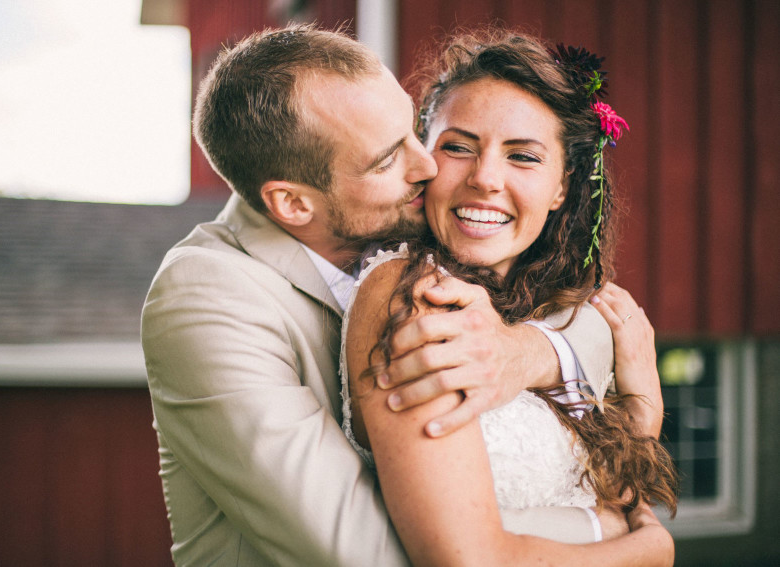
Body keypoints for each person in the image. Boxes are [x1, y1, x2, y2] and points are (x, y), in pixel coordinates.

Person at [141, 24, 618, 567]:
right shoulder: (208, 297)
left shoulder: (427, 239)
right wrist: (606, 528)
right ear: (294, 205)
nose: (431, 166)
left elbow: (600, 323)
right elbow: (363, 549)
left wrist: (532, 352)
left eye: (416, 131)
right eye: (389, 158)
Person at [342, 28, 677, 566]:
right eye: (457, 147)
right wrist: (649, 552)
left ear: (562, 187)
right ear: (424, 157)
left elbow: (613, 495)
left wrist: (644, 407)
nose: (485, 179)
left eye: (522, 156)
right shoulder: (410, 296)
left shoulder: (563, 310)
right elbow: (465, 560)